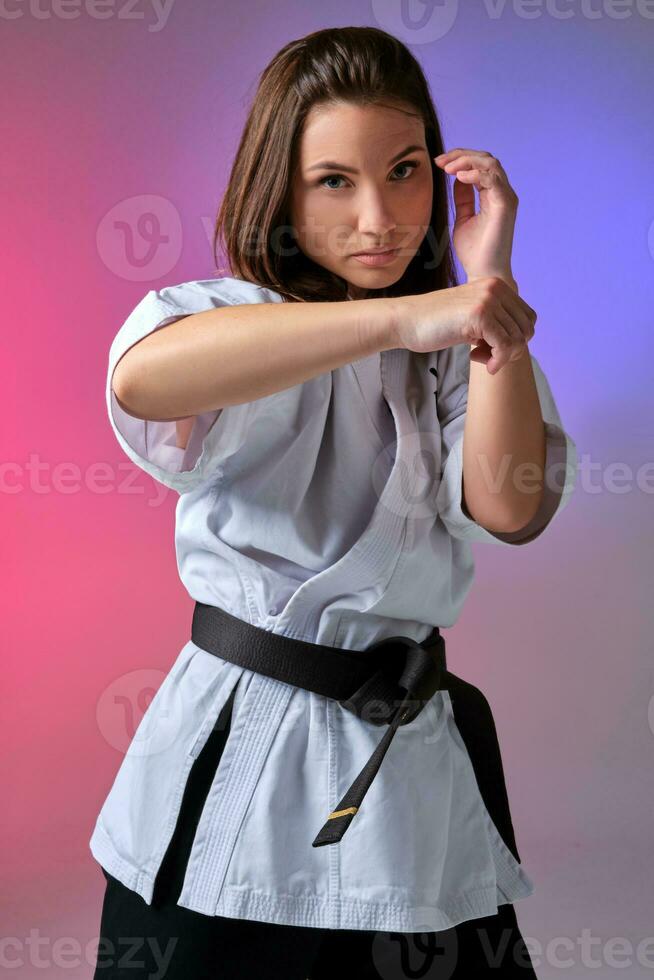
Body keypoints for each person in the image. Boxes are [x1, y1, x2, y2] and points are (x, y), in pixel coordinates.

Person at [90, 25, 577, 979]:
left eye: (403, 172)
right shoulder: (232, 319)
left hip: (408, 757)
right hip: (238, 746)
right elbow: (143, 382)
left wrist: (488, 300)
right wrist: (402, 314)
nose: (381, 218)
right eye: (334, 183)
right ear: (281, 188)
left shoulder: (448, 343)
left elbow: (512, 507)